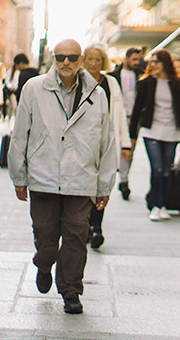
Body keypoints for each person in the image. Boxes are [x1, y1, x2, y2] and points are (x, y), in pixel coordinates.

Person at [9, 39, 118, 313]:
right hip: (43, 176)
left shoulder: (97, 93)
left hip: (82, 178)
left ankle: (71, 291)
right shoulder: (34, 88)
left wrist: (104, 184)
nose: (65, 63)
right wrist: (19, 176)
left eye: (71, 58)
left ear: (80, 60)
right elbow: (20, 133)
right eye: (60, 57)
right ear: (53, 60)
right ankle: (44, 263)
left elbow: (107, 140)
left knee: (75, 236)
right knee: (45, 236)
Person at [129, 49, 180, 221]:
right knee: (157, 168)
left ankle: (163, 204)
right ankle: (155, 205)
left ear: (165, 63)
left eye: (156, 61)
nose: (153, 64)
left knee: (166, 171)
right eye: (152, 61)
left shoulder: (178, 83)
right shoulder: (146, 82)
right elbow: (136, 110)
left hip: (172, 131)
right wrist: (132, 133)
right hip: (152, 131)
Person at [82, 43, 132, 248]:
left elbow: (120, 115)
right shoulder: (77, 81)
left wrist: (126, 144)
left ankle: (97, 228)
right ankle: (85, 225)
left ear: (103, 61)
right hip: (83, 145)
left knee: (102, 186)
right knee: (85, 188)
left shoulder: (111, 82)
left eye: (98, 59)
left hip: (106, 143)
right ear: (83, 60)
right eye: (90, 59)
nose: (94, 63)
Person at [110, 47, 143, 200]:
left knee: (128, 150)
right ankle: (119, 177)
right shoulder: (113, 76)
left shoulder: (140, 76)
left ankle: (124, 180)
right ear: (126, 58)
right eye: (134, 59)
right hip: (116, 118)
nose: (137, 62)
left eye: (138, 60)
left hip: (133, 119)